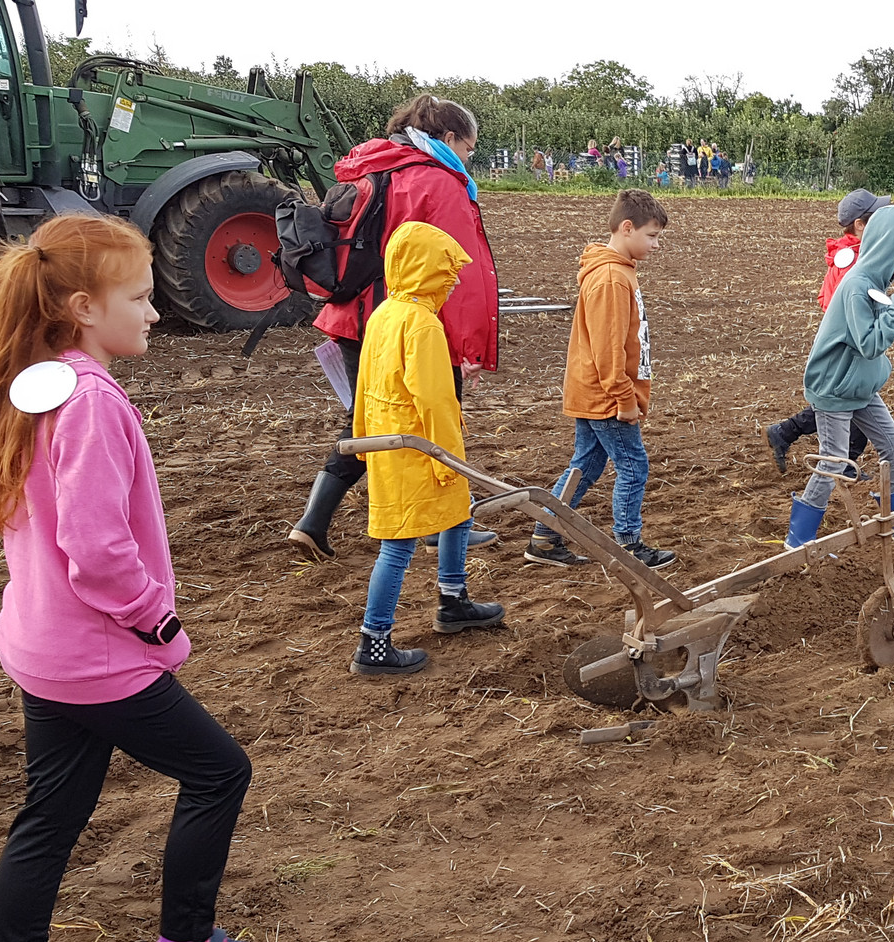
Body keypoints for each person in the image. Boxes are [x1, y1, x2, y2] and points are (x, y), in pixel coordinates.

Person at [0, 216, 284, 942]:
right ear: (85, 307)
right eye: (140, 296)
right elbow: (95, 548)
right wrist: (156, 623)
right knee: (219, 773)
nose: (156, 311)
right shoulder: (88, 400)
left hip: (39, 647)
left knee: (51, 813)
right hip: (98, 656)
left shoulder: (31, 383)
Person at [289, 94, 501, 560]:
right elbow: (456, 271)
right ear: (447, 139)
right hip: (411, 323)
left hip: (352, 317)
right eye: (469, 148)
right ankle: (442, 526)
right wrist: (466, 345)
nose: (469, 159)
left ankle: (312, 521)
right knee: (437, 417)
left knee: (366, 424)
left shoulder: (366, 168)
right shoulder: (436, 181)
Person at [348, 222, 506, 675]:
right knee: (397, 547)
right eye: (445, 268)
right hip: (417, 450)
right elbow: (436, 401)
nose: (454, 278)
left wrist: (362, 437)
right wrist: (449, 461)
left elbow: (363, 385)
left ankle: (453, 600)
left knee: (459, 513)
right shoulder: (420, 325)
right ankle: (373, 644)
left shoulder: (384, 314)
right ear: (421, 269)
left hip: (387, 444)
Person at [526, 191, 677, 569]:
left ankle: (545, 537)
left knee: (587, 463)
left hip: (594, 392)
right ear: (627, 228)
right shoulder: (610, 278)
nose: (656, 245)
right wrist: (624, 398)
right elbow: (607, 349)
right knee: (634, 466)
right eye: (652, 236)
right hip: (606, 395)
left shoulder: (618, 270)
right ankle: (629, 544)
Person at [784, 204, 894, 547]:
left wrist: (893, 303)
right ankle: (799, 538)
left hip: (858, 386)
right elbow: (869, 344)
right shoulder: (856, 286)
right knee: (834, 462)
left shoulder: (875, 283)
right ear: (889, 248)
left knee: (892, 442)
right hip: (835, 386)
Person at [765, 189, 890, 474]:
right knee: (844, 402)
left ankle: (790, 435)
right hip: (848, 343)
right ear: (860, 225)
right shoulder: (854, 260)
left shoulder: (847, 254)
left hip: (847, 340)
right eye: (876, 217)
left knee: (852, 401)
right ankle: (793, 437)